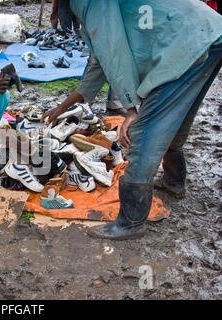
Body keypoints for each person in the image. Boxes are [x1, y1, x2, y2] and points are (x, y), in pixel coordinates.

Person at [43, 0, 222, 240]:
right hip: (206, 32)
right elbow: (98, 63)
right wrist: (62, 107)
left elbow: (112, 49)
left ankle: (130, 222)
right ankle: (173, 181)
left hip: (185, 42)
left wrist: (130, 108)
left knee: (143, 131)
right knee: (175, 120)